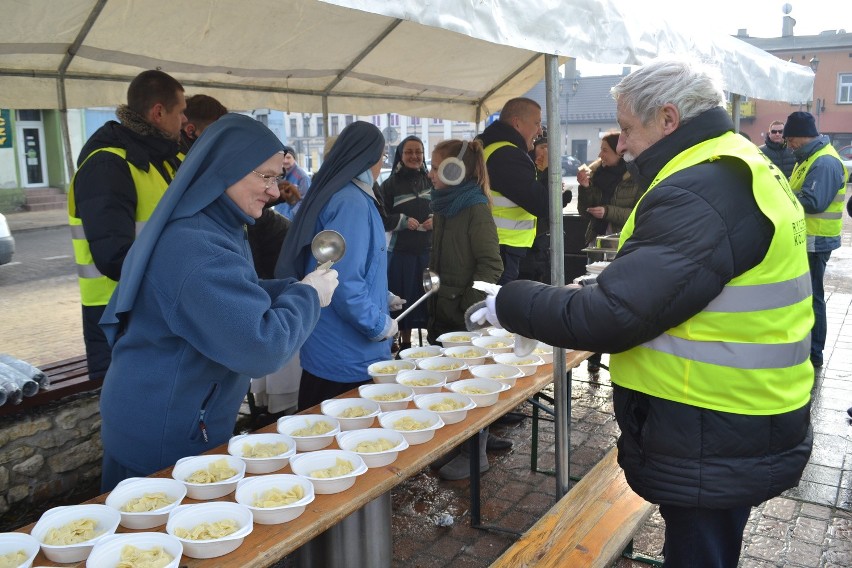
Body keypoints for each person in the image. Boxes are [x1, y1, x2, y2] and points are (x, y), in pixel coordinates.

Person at [478, 58, 814, 567]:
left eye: (629, 129)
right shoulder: (732, 163)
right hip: (739, 414)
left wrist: (511, 301)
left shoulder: (701, 187)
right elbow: (687, 281)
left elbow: (613, 316)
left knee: (700, 552)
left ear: (669, 119)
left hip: (714, 418)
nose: (624, 142)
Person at [97, 113, 338, 490]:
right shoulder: (196, 246)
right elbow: (261, 348)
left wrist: (294, 287)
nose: (274, 191)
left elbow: (239, 292)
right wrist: (307, 296)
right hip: (165, 430)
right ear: (226, 169)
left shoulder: (216, 224)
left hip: (172, 413)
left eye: (277, 177)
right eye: (265, 176)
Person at [68, 70, 186, 380]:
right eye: (180, 112)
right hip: (117, 318)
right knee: (136, 420)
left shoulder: (161, 159)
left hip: (150, 311)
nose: (184, 121)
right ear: (158, 113)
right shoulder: (108, 164)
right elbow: (114, 254)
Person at [275, 121, 395, 411]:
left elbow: (356, 267)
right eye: (383, 155)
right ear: (370, 157)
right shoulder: (351, 202)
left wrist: (384, 296)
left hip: (335, 348)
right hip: (346, 355)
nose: (383, 163)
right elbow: (342, 281)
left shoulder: (344, 194)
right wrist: (379, 324)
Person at [427, 138, 502, 480]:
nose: (429, 173)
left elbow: (491, 266)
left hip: (463, 316)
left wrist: (469, 313)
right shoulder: (445, 204)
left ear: (454, 171)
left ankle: (476, 454)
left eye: (435, 166)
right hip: (443, 309)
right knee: (449, 384)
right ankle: (459, 445)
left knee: (470, 383)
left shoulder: (474, 207)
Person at [476, 97, 572, 286]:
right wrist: (546, 174)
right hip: (502, 248)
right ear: (517, 123)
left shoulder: (495, 148)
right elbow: (544, 205)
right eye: (536, 123)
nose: (540, 130)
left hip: (499, 245)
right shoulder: (507, 155)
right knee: (498, 310)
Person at [784, 111, 848, 369]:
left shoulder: (824, 162)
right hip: (807, 238)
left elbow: (813, 202)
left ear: (802, 136)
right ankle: (807, 347)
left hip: (816, 239)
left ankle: (814, 353)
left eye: (790, 140)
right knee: (807, 295)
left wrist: (779, 196)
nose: (788, 145)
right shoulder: (808, 157)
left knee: (812, 296)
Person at [576, 131, 641, 378]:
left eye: (605, 150)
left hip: (622, 246)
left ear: (619, 153)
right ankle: (593, 358)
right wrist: (584, 188)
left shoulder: (634, 176)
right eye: (600, 150)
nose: (600, 155)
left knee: (618, 299)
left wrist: (609, 211)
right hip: (596, 244)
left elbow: (639, 212)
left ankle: (620, 355)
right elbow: (584, 211)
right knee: (593, 298)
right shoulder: (596, 174)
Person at [380, 136, 433, 350]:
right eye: (409, 152)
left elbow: (444, 207)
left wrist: (437, 219)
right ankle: (404, 342)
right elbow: (382, 217)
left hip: (428, 251)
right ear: (400, 156)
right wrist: (401, 221)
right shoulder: (389, 185)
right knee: (404, 297)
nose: (414, 156)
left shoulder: (431, 180)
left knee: (428, 297)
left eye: (418, 152)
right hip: (402, 253)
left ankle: (432, 340)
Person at [273, 146, 312, 220]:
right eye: (283, 158)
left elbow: (305, 200)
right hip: (277, 218)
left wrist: (291, 216)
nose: (285, 161)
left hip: (290, 221)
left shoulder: (303, 177)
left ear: (294, 158)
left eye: (288, 157)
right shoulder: (278, 175)